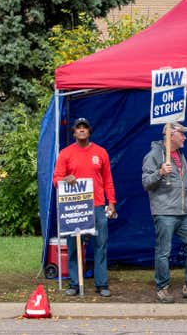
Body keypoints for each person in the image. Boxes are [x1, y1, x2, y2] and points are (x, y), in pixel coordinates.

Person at [142, 122, 187, 303]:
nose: (185, 137)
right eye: (182, 133)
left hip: (185, 211)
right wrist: (159, 172)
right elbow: (146, 182)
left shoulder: (180, 154)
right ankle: (162, 288)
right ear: (171, 135)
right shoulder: (154, 155)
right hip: (164, 211)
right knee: (164, 251)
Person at [52, 118, 116, 297]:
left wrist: (111, 202)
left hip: (97, 205)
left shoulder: (101, 152)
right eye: (78, 128)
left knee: (100, 245)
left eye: (84, 128)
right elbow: (56, 179)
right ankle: (74, 283)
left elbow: (108, 180)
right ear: (73, 133)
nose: (81, 130)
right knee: (73, 246)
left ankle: (101, 284)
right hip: (75, 207)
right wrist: (65, 179)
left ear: (89, 132)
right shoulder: (65, 153)